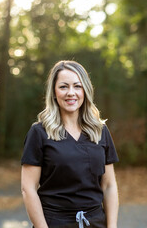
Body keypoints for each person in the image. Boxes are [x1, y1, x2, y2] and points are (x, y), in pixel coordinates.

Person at [21, 60, 119, 228]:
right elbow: (28, 188)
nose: (71, 93)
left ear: (86, 90)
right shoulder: (39, 133)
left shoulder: (100, 131)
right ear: (54, 92)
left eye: (77, 86)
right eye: (63, 86)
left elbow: (109, 185)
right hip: (55, 223)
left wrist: (112, 227)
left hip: (96, 223)